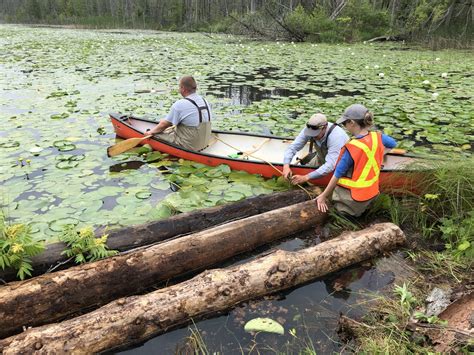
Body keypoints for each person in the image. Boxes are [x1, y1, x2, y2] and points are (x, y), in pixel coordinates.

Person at [316, 104, 397, 217]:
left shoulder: (352, 147)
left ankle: (345, 213)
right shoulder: (378, 137)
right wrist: (380, 153)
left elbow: (337, 175)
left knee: (338, 211)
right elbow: (393, 143)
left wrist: (323, 196)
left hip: (353, 201)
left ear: (352, 123)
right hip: (371, 193)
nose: (344, 126)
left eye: (345, 123)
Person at [147, 76, 212, 151]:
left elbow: (164, 125)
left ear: (183, 89)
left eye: (179, 87)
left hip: (189, 146)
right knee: (172, 128)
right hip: (204, 143)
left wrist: (150, 132)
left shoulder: (180, 104)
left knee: (156, 134)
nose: (179, 89)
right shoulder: (204, 100)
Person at [282, 113, 349, 185]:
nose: (313, 136)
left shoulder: (336, 136)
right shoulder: (309, 129)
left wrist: (306, 177)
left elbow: (330, 165)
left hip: (339, 165)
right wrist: (286, 166)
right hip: (320, 158)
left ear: (325, 127)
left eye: (315, 134)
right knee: (304, 175)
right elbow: (293, 147)